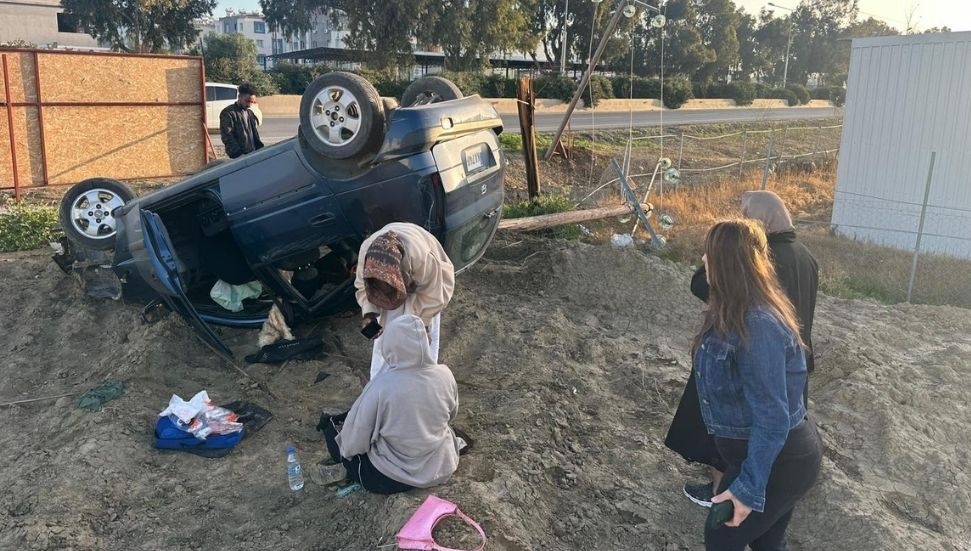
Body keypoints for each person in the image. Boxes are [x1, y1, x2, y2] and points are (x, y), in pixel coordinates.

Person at [670, 190, 819, 509]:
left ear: (760, 220)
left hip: (745, 359)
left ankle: (722, 495)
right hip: (790, 364)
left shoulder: (762, 260)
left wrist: (715, 259)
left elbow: (703, 287)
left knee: (731, 439)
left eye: (745, 213)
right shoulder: (806, 255)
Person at [690, 220, 822, 550]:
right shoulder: (732, 309)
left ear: (727, 264)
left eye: (708, 256)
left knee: (720, 537)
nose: (703, 262)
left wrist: (748, 488)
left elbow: (773, 417)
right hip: (762, 455)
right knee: (766, 544)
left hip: (781, 459)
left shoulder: (759, 324)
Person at [320, 314, 462, 494]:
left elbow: (354, 444)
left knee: (332, 430)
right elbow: (451, 414)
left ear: (390, 346)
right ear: (426, 342)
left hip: (391, 478)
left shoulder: (381, 387)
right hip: (442, 467)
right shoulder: (445, 374)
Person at [354, 222, 454, 380]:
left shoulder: (423, 257)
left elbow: (433, 297)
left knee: (418, 343)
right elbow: (362, 286)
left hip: (424, 286)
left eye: (389, 287)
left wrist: (422, 327)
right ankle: (381, 378)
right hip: (402, 269)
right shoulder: (366, 252)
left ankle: (422, 378)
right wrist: (369, 314)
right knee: (387, 335)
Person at [219, 83, 264, 159]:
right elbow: (227, 137)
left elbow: (254, 136)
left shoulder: (250, 113)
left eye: (252, 102)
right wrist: (238, 155)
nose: (249, 105)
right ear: (239, 97)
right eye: (247, 101)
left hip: (252, 155)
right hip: (239, 157)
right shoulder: (228, 113)